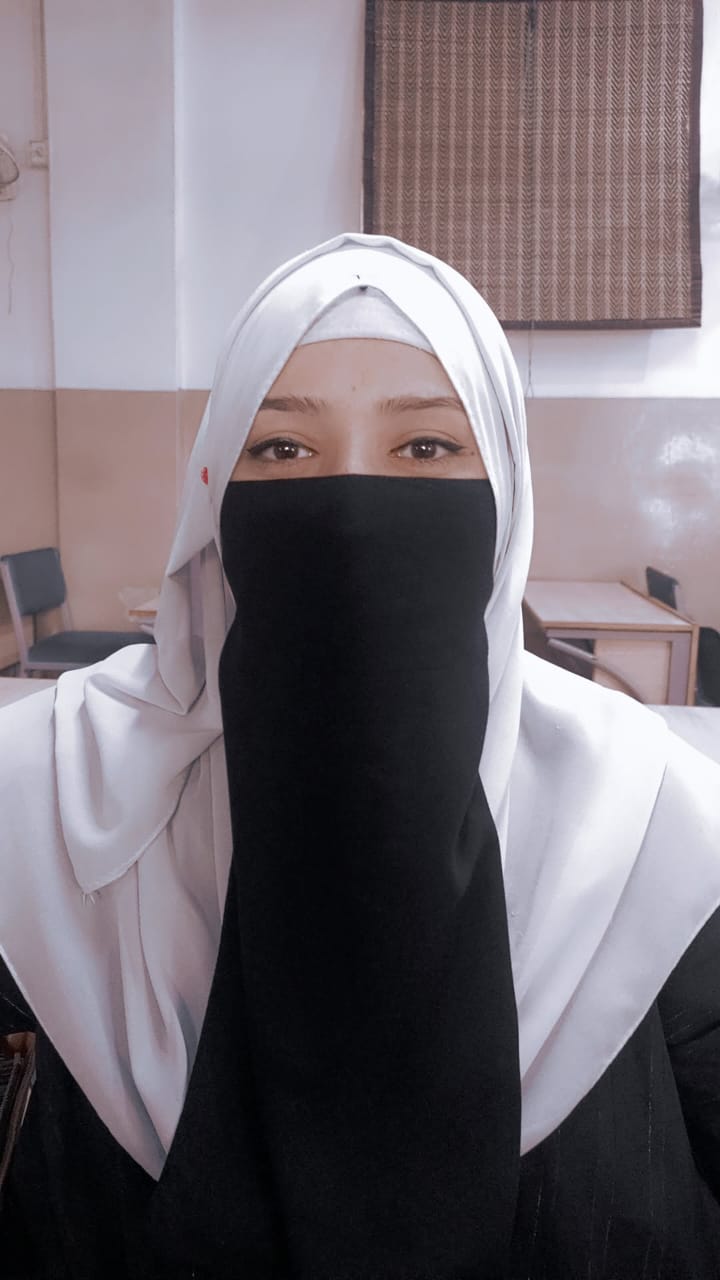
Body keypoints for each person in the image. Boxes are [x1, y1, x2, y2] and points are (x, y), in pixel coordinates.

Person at [1, 232, 720, 1279]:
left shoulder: (659, 821)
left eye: (425, 448)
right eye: (282, 451)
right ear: (214, 496)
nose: (347, 506)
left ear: (504, 494)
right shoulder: (52, 790)